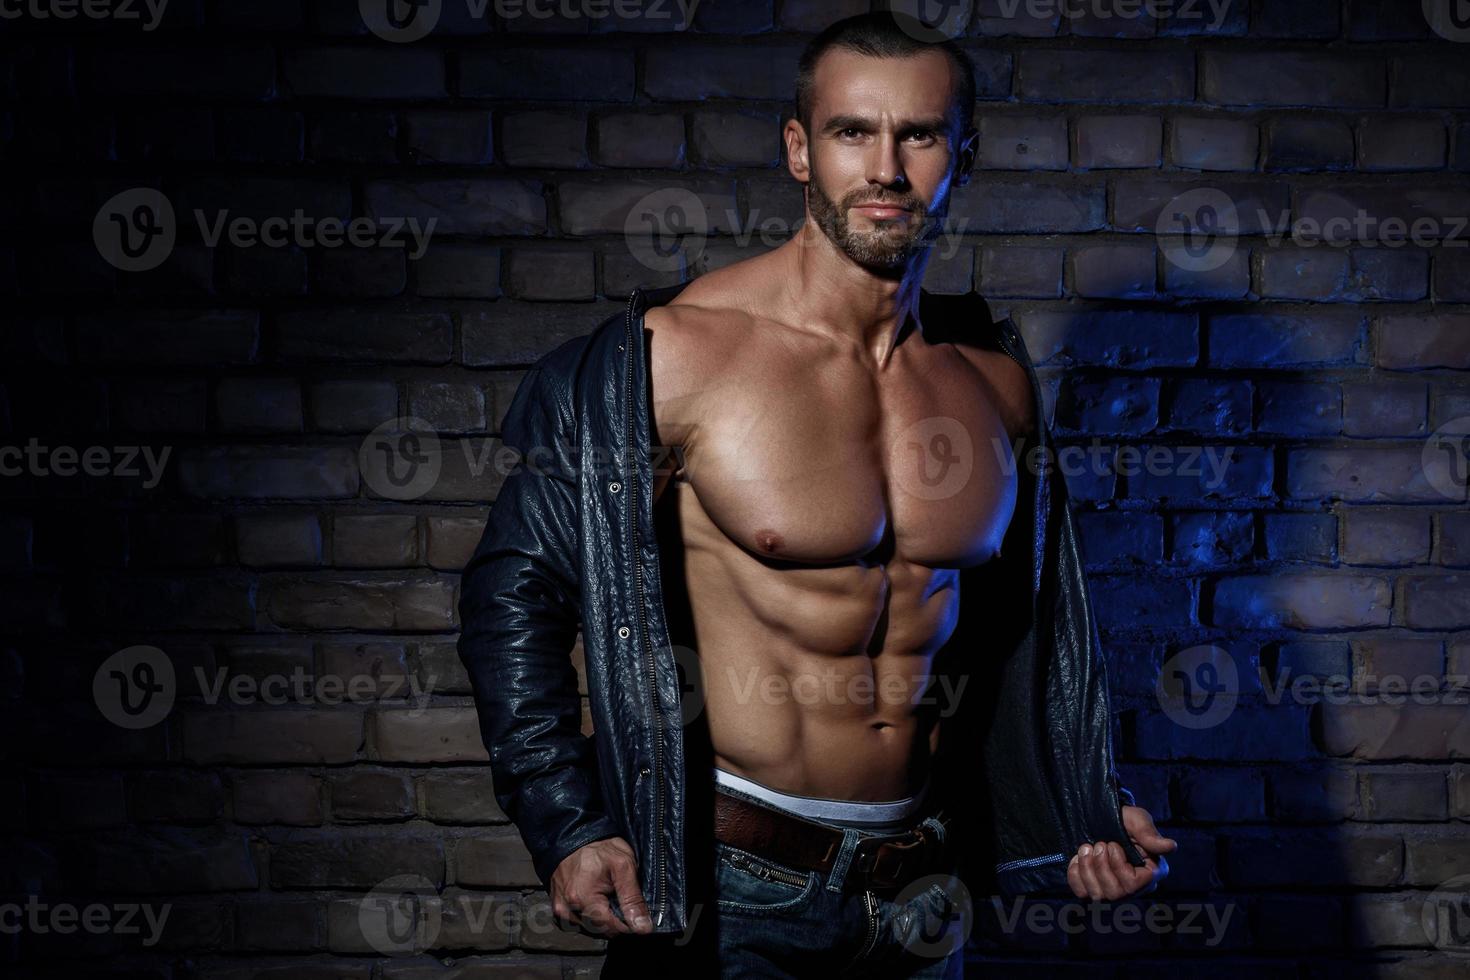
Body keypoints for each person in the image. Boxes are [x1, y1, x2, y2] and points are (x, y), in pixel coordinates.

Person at [458, 11, 1176, 977]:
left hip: (926, 888)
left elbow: (1020, 628)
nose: (885, 167)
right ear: (800, 150)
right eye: (851, 132)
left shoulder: (992, 383)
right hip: (739, 889)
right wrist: (568, 823)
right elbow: (513, 597)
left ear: (962, 152)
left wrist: (1084, 797)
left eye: (918, 134)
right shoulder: (673, 359)